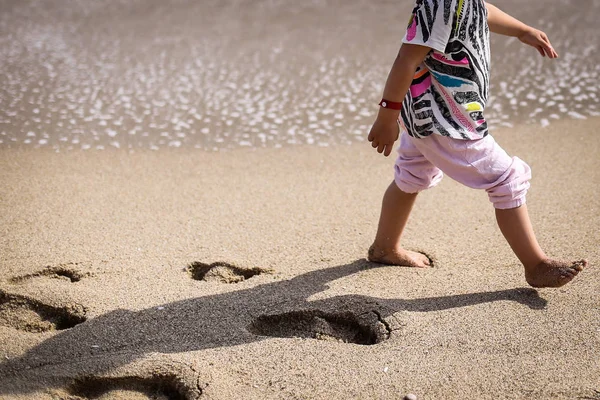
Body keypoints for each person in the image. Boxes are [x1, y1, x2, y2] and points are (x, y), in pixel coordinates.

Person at [367, 0, 587, 287]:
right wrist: (386, 115)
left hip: (424, 111)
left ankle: (385, 247)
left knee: (413, 174)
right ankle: (535, 264)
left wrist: (522, 30)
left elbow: (481, 10)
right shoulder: (439, 5)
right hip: (446, 121)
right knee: (506, 178)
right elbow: (406, 59)